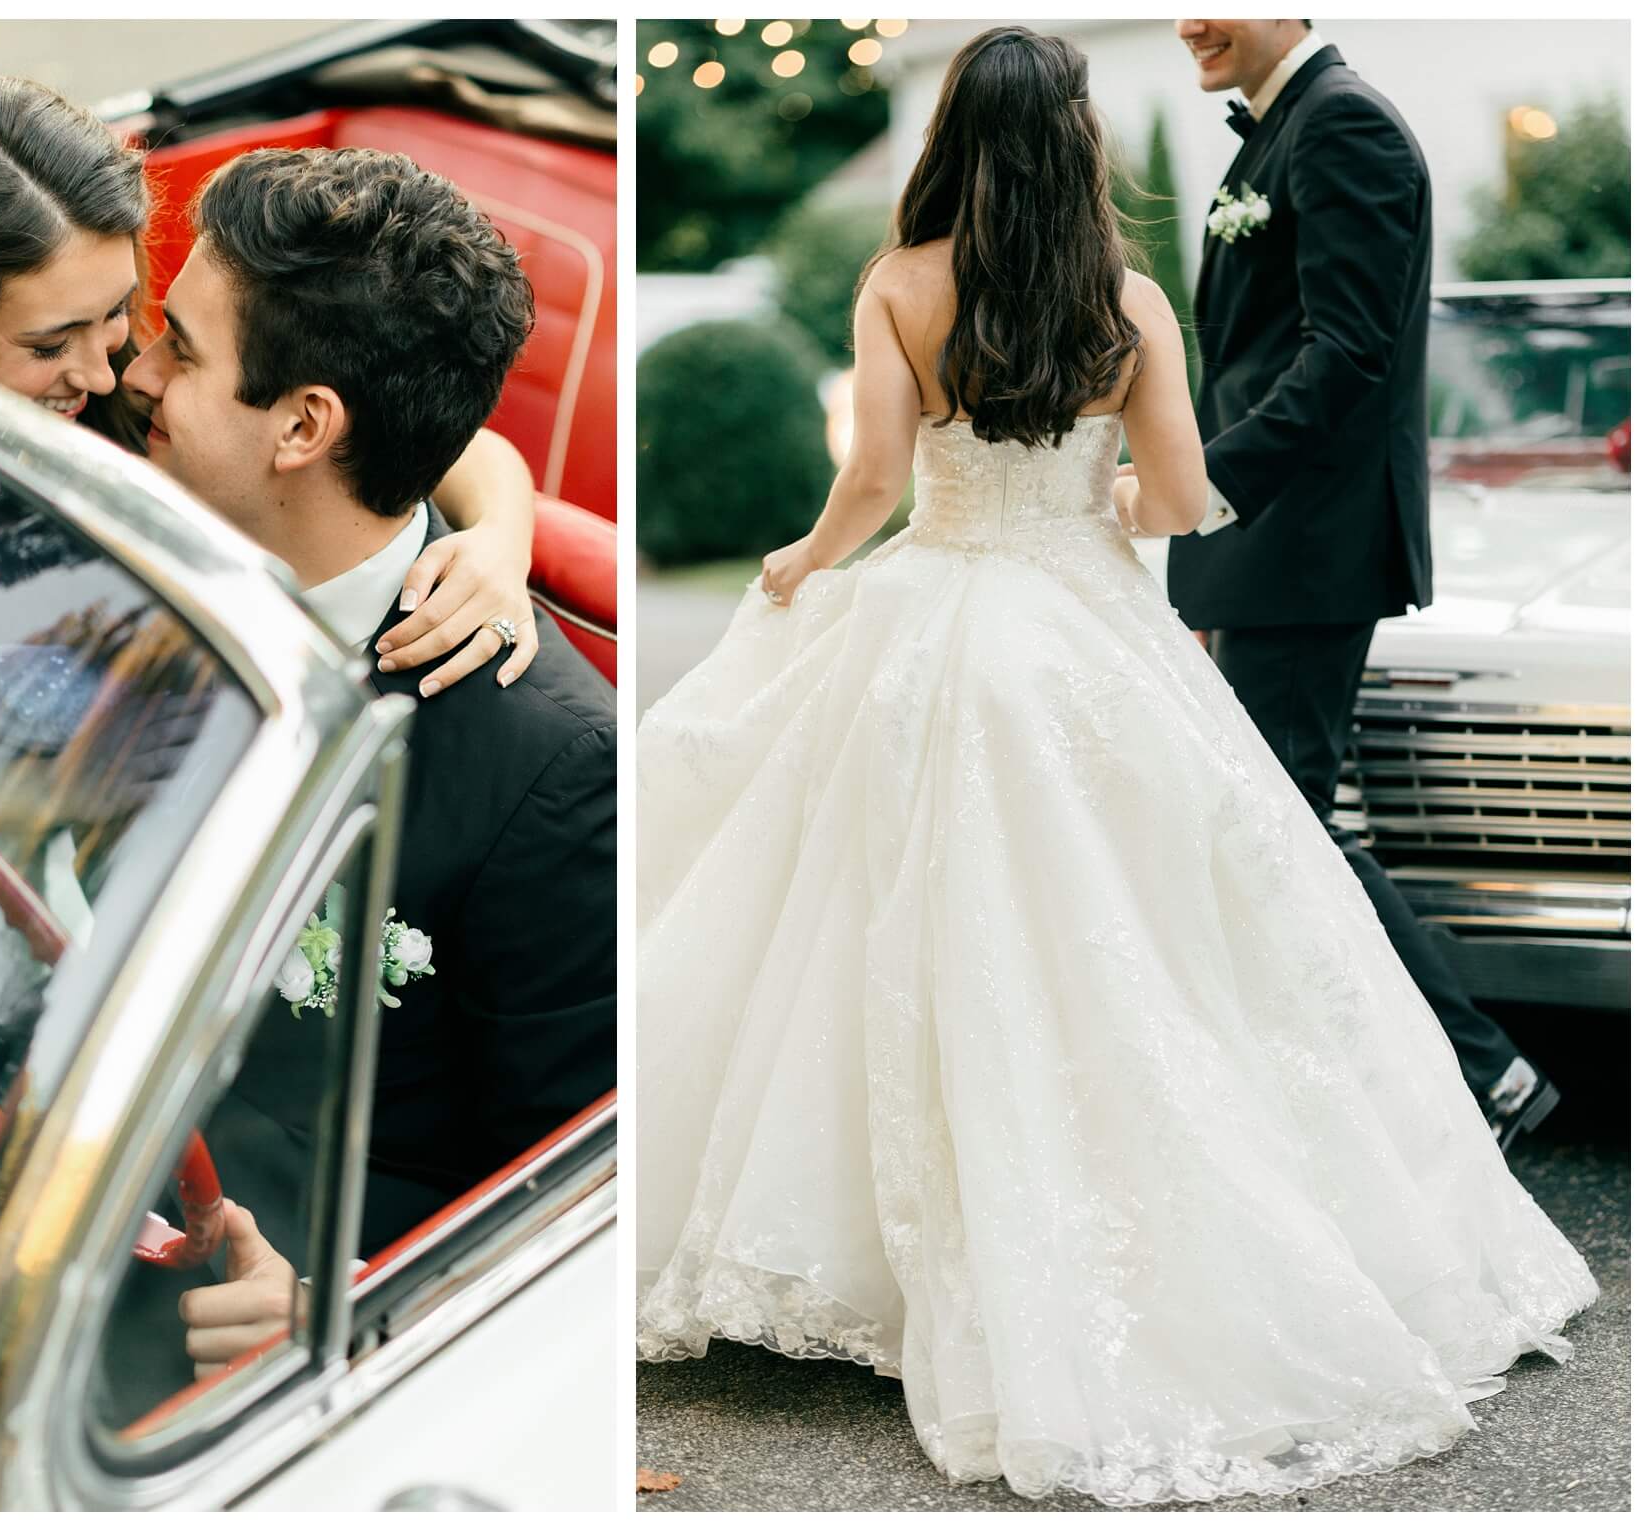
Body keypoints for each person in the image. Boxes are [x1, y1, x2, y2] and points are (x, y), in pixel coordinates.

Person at [633, 26, 1593, 1506]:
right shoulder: (1128, 298)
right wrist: (1100, 500)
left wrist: (806, 556)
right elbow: (1189, 493)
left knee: (891, 918)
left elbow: (877, 483)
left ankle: (881, 1239)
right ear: (1077, 142)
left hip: (937, 621)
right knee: (1146, 929)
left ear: (951, 134)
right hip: (1083, 632)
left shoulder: (897, 283)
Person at [116, 147, 615, 1381]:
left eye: (178, 347)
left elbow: (572, 1194)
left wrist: (331, 1299)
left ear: (302, 424)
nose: (132, 371)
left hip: (253, 1305)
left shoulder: (552, 772)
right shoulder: (151, 517)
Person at [1137, 20, 1556, 1143]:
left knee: (1281, 821)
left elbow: (1346, 354)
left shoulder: (1342, 124)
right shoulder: (1280, 130)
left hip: (1303, 546)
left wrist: (1200, 483)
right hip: (1260, 546)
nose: (1188, 20)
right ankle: (1376, 1076)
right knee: (1267, 820)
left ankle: (1483, 1076)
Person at [0, 75, 541, 696]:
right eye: (46, 344)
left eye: (113, 312)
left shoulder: (132, 401)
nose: (109, 375)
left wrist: (501, 537)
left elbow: (422, 439)